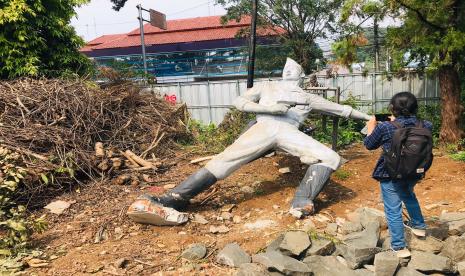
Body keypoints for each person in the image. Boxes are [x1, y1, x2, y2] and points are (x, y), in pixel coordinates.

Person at [130, 58, 371, 224]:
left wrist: (371, 117)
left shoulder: (307, 97)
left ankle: (302, 199)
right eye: (285, 70)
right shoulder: (267, 86)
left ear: (300, 75)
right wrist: (272, 108)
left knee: (330, 156)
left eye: (293, 70)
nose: (288, 72)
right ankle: (174, 198)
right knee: (225, 161)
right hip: (263, 126)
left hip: (289, 131)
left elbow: (342, 110)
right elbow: (239, 102)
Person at [363, 92, 432, 258]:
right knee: (409, 195)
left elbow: (369, 145)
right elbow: (408, 129)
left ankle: (399, 247)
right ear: (415, 108)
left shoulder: (385, 127)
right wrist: (398, 122)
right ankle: (419, 226)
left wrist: (372, 126)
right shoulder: (426, 125)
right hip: (415, 170)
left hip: (390, 173)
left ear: (392, 109)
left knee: (393, 209)